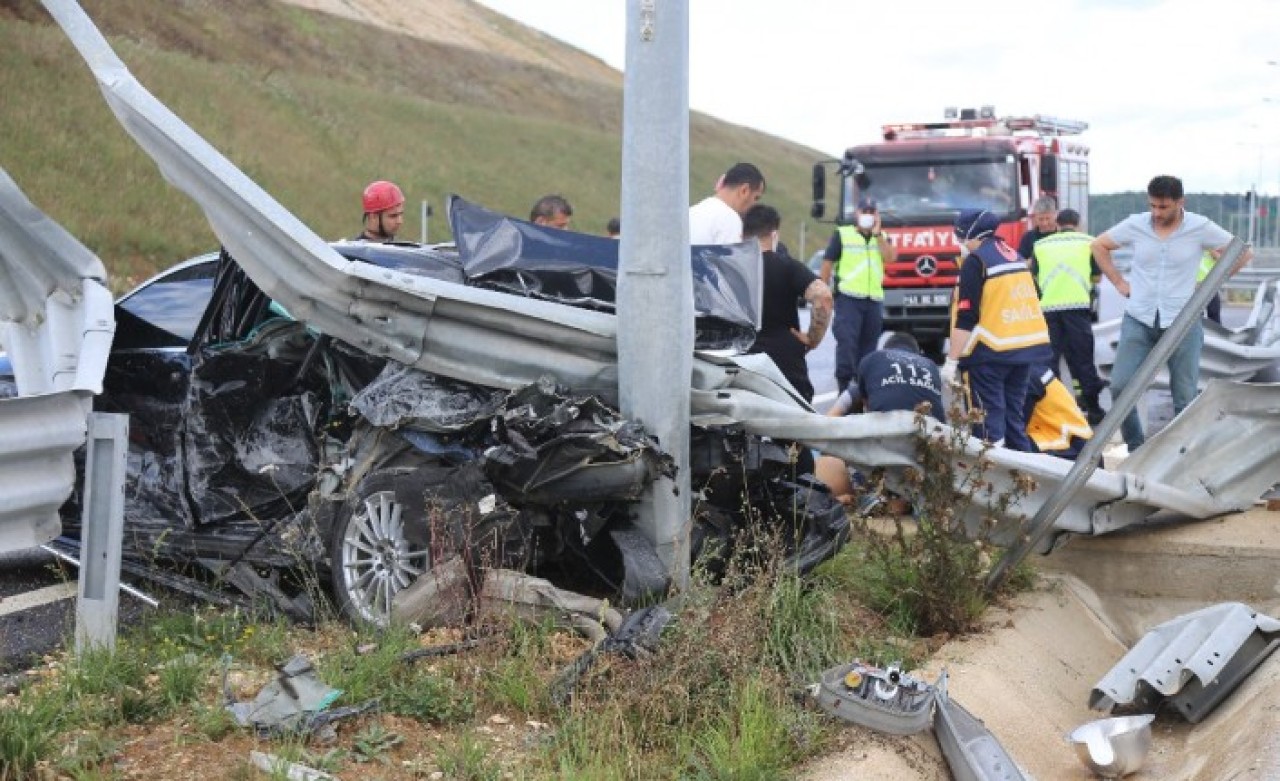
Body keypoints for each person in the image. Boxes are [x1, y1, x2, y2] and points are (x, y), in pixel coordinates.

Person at [1091, 175, 1249, 452]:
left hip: (1183, 321)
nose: (1156, 213)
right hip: (1139, 318)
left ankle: (1179, 456)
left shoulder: (1199, 227)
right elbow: (1098, 245)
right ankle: (1135, 447)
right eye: (1153, 205)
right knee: (1120, 386)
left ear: (1180, 202)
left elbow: (1243, 253)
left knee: (1184, 395)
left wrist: (1209, 283)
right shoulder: (1136, 224)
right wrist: (1118, 282)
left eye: (1163, 207)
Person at [943, 209, 1052, 451]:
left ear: (970, 234)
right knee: (1014, 420)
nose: (959, 243)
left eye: (960, 236)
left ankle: (992, 479)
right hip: (1022, 352)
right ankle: (1023, 479)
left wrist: (951, 362)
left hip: (988, 355)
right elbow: (1036, 294)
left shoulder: (976, 262)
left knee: (987, 424)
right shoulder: (1013, 255)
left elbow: (966, 317)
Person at [815, 332, 943, 505]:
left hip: (881, 463)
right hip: (927, 469)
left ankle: (864, 498)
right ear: (917, 354)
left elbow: (827, 423)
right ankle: (896, 500)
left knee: (826, 460)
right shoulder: (931, 367)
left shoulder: (873, 361)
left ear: (886, 351)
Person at [742, 204, 832, 402]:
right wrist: (812, 338)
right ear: (774, 234)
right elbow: (823, 297)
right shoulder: (787, 266)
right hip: (783, 361)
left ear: (743, 233)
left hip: (740, 361)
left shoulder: (728, 268)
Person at [1029, 208, 1107, 424]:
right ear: (1077, 223)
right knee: (1083, 359)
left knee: (1050, 361)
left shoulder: (1040, 245)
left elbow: (1034, 274)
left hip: (1048, 309)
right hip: (1077, 308)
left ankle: (1055, 410)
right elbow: (1097, 277)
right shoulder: (1090, 242)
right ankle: (1093, 409)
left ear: (1058, 223)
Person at [820, 197, 896, 391]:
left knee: (869, 348)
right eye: (865, 211)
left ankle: (863, 390)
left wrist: (878, 235)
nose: (868, 215)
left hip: (873, 300)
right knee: (847, 344)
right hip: (849, 299)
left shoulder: (883, 237)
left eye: (872, 212)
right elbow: (827, 263)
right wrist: (823, 291)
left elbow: (891, 258)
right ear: (857, 213)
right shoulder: (843, 234)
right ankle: (844, 388)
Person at [1024, 366, 1093, 460]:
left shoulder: (1026, 378)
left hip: (1066, 448)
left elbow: (1015, 426)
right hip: (1074, 444)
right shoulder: (1030, 367)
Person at [688, 162, 766, 244]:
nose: (754, 205)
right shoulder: (730, 220)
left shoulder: (692, 212)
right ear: (744, 190)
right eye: (756, 198)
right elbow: (729, 256)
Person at [1017, 196, 1058, 260]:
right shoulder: (1028, 238)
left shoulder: (1063, 235)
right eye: (1041, 219)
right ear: (1035, 217)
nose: (1044, 223)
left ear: (1055, 215)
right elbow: (1020, 261)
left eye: (1048, 219)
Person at [1197, 251, 1222, 324]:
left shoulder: (1210, 248)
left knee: (1214, 315)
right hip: (1194, 287)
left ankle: (1217, 334)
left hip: (1210, 285)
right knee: (1196, 317)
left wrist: (1213, 252)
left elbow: (1222, 261)